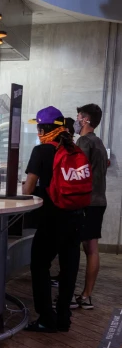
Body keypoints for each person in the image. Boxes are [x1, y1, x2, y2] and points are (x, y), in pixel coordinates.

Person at [23, 106, 84, 333]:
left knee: (40, 266)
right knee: (69, 268)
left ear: (42, 128)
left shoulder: (41, 151)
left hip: (52, 218)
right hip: (76, 215)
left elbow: (28, 187)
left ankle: (46, 318)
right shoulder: (74, 148)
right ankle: (64, 318)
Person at [72, 104, 109, 309]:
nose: (76, 120)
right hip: (99, 201)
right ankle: (86, 295)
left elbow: (77, 173)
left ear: (85, 120)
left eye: (78, 117)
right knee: (92, 249)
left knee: (84, 248)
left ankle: (82, 295)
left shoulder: (85, 142)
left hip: (87, 201)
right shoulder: (99, 143)